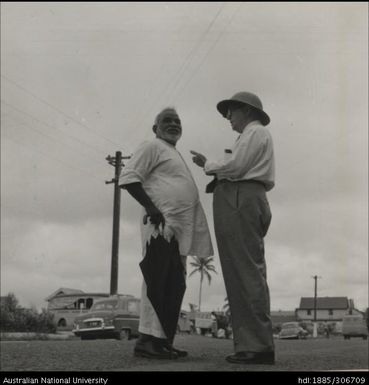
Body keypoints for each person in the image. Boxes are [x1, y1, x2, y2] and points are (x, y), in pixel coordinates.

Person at [119, 107, 213, 359]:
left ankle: (162, 341)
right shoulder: (151, 146)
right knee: (157, 278)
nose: (174, 124)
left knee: (174, 283)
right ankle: (146, 342)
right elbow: (128, 177)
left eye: (177, 121)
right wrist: (152, 207)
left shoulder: (172, 152)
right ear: (155, 128)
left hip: (178, 230)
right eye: (167, 121)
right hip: (160, 224)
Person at [191, 91, 275, 365]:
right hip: (241, 197)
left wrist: (209, 165)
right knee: (243, 270)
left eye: (232, 111)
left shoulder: (255, 133)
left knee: (244, 271)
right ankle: (252, 343)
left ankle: (256, 346)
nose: (228, 117)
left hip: (242, 197)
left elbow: (237, 167)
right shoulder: (250, 135)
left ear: (247, 111)